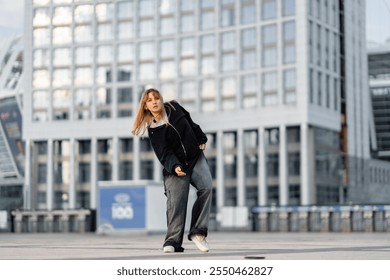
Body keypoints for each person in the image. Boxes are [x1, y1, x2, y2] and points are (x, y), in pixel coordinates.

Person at [132, 88, 213, 253]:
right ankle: (173, 241)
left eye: (157, 98)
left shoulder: (174, 108)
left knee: (207, 187)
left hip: (194, 158)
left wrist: (201, 138)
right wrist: (175, 166)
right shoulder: (154, 129)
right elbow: (164, 153)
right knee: (176, 203)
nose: (154, 102)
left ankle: (198, 233)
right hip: (175, 167)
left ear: (161, 100)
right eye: (150, 100)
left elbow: (191, 123)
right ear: (146, 106)